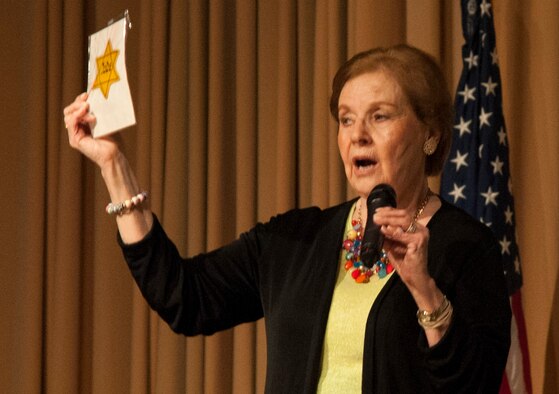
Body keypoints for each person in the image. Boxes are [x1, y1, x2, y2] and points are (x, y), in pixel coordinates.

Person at [63, 44, 511, 393]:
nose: (358, 134)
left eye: (380, 116)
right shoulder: (295, 241)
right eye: (346, 118)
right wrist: (113, 166)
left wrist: (425, 292)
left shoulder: (467, 249)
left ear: (430, 133)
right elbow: (184, 297)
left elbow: (474, 384)